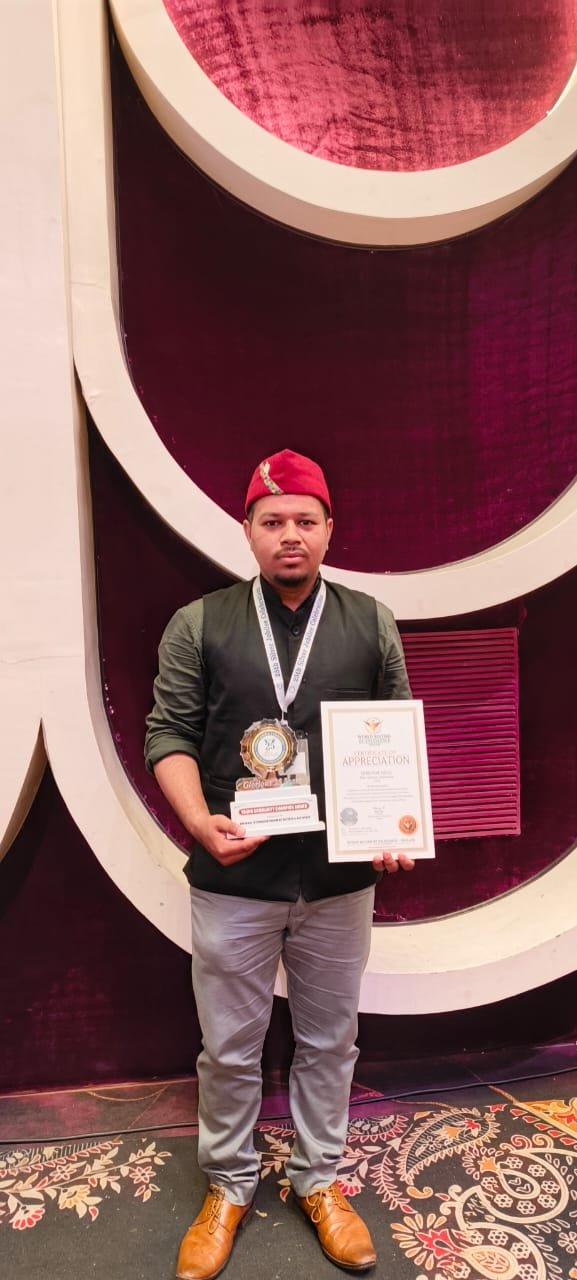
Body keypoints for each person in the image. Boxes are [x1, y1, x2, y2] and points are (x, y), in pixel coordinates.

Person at [145, 449, 415, 1279]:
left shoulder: (370, 621)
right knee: (229, 1047)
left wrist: (395, 821)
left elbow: (395, 732)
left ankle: (317, 1179)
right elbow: (168, 734)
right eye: (272, 521)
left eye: (304, 520)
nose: (288, 534)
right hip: (234, 879)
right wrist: (199, 824)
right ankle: (227, 1185)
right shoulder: (199, 623)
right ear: (248, 530)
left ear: (329, 529)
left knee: (331, 1041)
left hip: (338, 880)